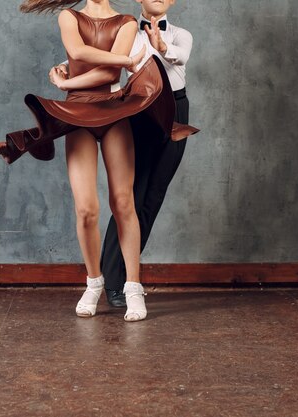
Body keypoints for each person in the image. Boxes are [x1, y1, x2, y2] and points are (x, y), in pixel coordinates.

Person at [0, 0, 199, 321]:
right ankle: (101, 283)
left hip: (144, 108)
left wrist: (70, 79)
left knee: (137, 198)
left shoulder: (141, 25)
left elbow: (114, 68)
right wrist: (71, 69)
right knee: (90, 208)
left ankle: (131, 285)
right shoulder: (74, 18)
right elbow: (82, 53)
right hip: (104, 110)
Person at [51, 0, 195, 307]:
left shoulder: (178, 33)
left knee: (152, 194)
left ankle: (122, 279)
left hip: (173, 107)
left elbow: (180, 56)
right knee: (128, 196)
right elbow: (95, 61)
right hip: (136, 108)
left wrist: (161, 47)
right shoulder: (127, 29)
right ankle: (116, 283)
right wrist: (67, 69)